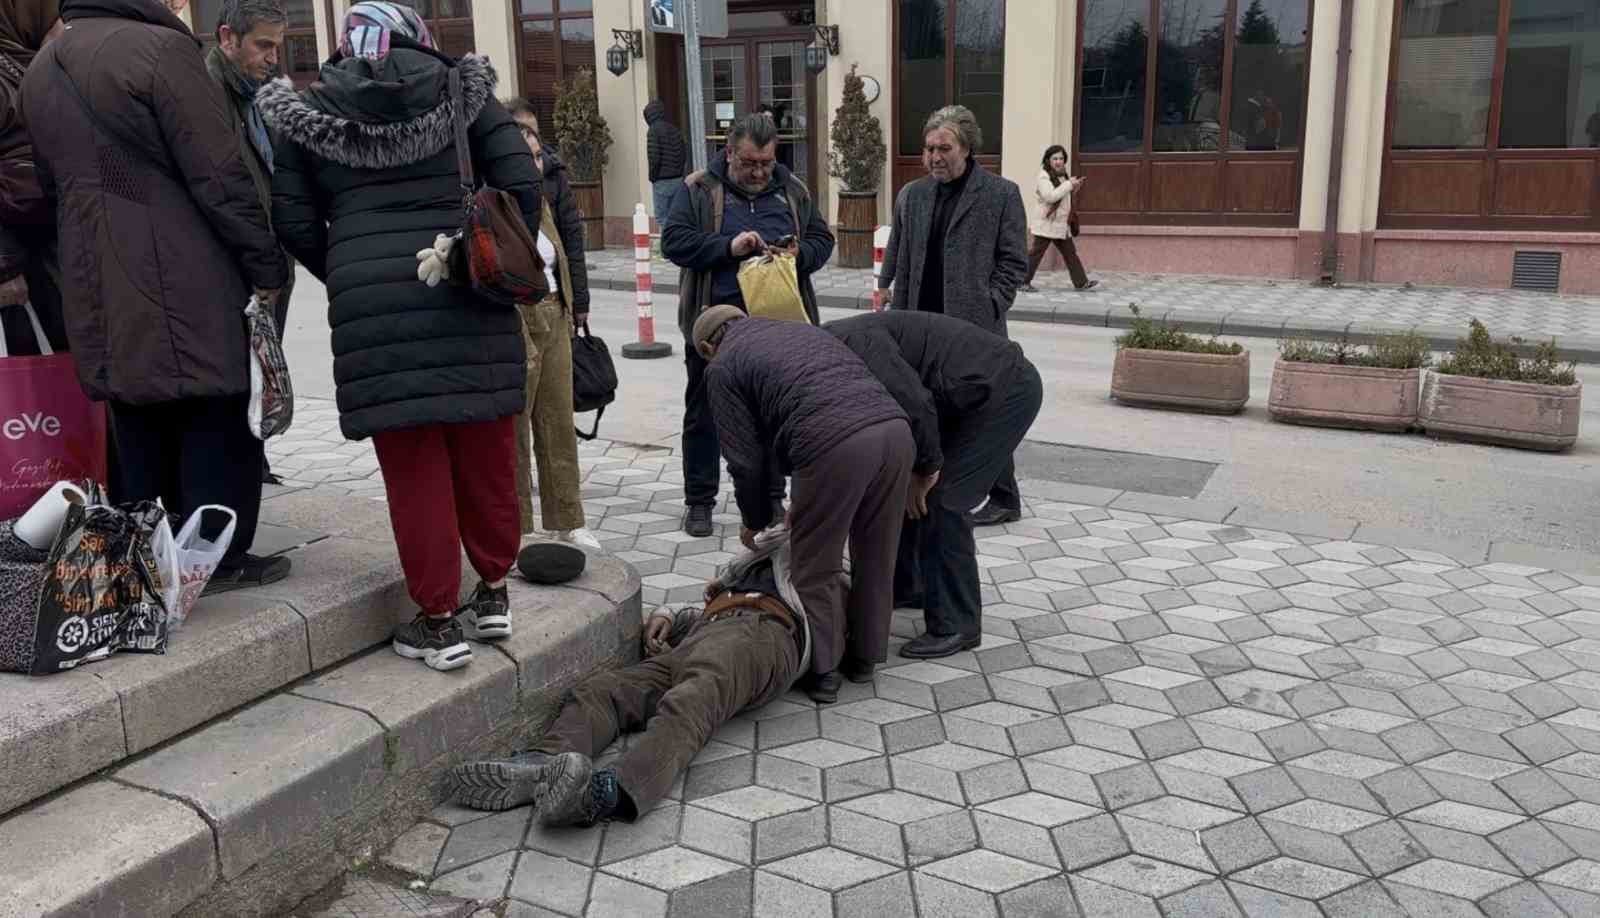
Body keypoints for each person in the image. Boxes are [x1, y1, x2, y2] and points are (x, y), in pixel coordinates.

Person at [261, 1, 540, 671]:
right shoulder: (465, 89)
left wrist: (351, 264)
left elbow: (293, 221)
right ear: (421, 38)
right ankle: (493, 591)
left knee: (414, 466)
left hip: (373, 308)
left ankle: (439, 622)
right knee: (485, 445)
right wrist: (486, 252)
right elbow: (523, 185)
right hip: (468, 289)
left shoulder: (310, 110)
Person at [22, 0, 290, 590]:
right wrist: (265, 261)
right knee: (213, 407)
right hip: (181, 266)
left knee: (136, 408)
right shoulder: (160, 50)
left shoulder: (42, 67)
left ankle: (146, 551)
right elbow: (217, 172)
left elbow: (49, 184)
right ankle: (216, 557)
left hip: (93, 271)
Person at [451, 533, 811, 823]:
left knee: (690, 701)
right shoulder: (757, 554)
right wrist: (669, 616)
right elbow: (705, 608)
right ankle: (544, 762)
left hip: (761, 635)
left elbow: (839, 623)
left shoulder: (819, 556)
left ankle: (604, 794)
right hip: (704, 634)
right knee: (603, 690)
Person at [693, 307, 911, 704]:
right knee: (877, 554)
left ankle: (825, 671)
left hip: (835, 445)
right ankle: (865, 658)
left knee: (814, 566)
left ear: (708, 347)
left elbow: (745, 459)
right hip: (895, 433)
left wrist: (756, 519)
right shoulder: (795, 329)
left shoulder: (722, 365)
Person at [826, 311, 1042, 659]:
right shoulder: (831, 352)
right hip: (958, 396)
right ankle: (908, 587)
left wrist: (926, 470)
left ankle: (957, 624)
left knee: (944, 499)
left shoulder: (856, 344)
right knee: (903, 489)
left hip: (1004, 390)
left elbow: (915, 403)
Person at [661, 112, 834, 539]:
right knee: (704, 415)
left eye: (766, 163)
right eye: (749, 163)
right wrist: (728, 247)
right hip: (716, 328)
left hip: (778, 328)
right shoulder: (698, 189)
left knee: (771, 416)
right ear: (729, 154)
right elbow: (674, 242)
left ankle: (772, 498)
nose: (758, 172)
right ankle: (700, 501)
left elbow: (822, 240)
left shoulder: (793, 190)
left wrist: (799, 255)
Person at [877, 105, 1028, 529]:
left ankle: (1004, 497)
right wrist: (885, 286)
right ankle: (934, 488)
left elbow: (1014, 261)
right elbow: (896, 247)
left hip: (972, 325)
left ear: (967, 148)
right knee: (923, 405)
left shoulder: (1000, 194)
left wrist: (993, 302)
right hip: (919, 320)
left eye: (944, 148)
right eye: (929, 149)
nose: (934, 157)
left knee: (983, 408)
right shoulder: (912, 194)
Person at [205, 0, 297, 486]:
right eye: (263, 45)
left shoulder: (260, 94)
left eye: (277, 46)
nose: (272, 57)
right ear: (227, 38)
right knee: (238, 377)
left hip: (269, 261)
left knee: (262, 371)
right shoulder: (205, 93)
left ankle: (253, 460)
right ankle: (240, 470)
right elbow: (221, 187)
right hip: (237, 265)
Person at [504, 101, 599, 551]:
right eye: (527, 158)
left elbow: (570, 246)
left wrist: (577, 302)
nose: (537, 166)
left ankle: (568, 518)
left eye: (539, 156)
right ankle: (519, 527)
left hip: (555, 309)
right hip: (516, 317)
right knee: (516, 428)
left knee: (558, 419)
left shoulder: (543, 202)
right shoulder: (493, 204)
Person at [0, 0, 65, 356]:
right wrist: (4, 268)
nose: (60, 24)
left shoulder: (28, 62)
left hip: (51, 246)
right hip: (22, 265)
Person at [1020, 144, 1095, 293]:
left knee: (1070, 253)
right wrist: (1068, 184)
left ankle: (1081, 283)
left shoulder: (1062, 175)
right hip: (1047, 223)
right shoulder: (1044, 176)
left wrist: (1074, 186)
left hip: (1059, 224)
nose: (1058, 161)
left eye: (1061, 158)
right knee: (1035, 254)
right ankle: (1022, 282)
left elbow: (1063, 196)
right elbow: (1050, 196)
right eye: (1055, 158)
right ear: (1048, 160)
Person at [643, 98, 685, 224]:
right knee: (676, 217)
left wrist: (652, 177)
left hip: (662, 181)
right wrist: (679, 172)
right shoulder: (674, 129)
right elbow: (683, 153)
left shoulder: (653, 131)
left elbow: (654, 158)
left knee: (662, 218)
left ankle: (666, 238)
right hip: (677, 179)